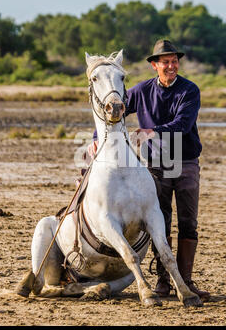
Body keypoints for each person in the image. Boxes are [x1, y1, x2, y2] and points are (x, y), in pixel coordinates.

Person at [88, 40, 210, 301]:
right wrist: (93, 138)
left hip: (185, 162)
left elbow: (184, 124)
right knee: (160, 222)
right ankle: (164, 282)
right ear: (155, 65)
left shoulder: (190, 90)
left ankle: (186, 280)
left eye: (174, 61)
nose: (171, 66)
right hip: (155, 165)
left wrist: (153, 131)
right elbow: (113, 107)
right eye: (165, 62)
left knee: (189, 224)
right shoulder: (141, 90)